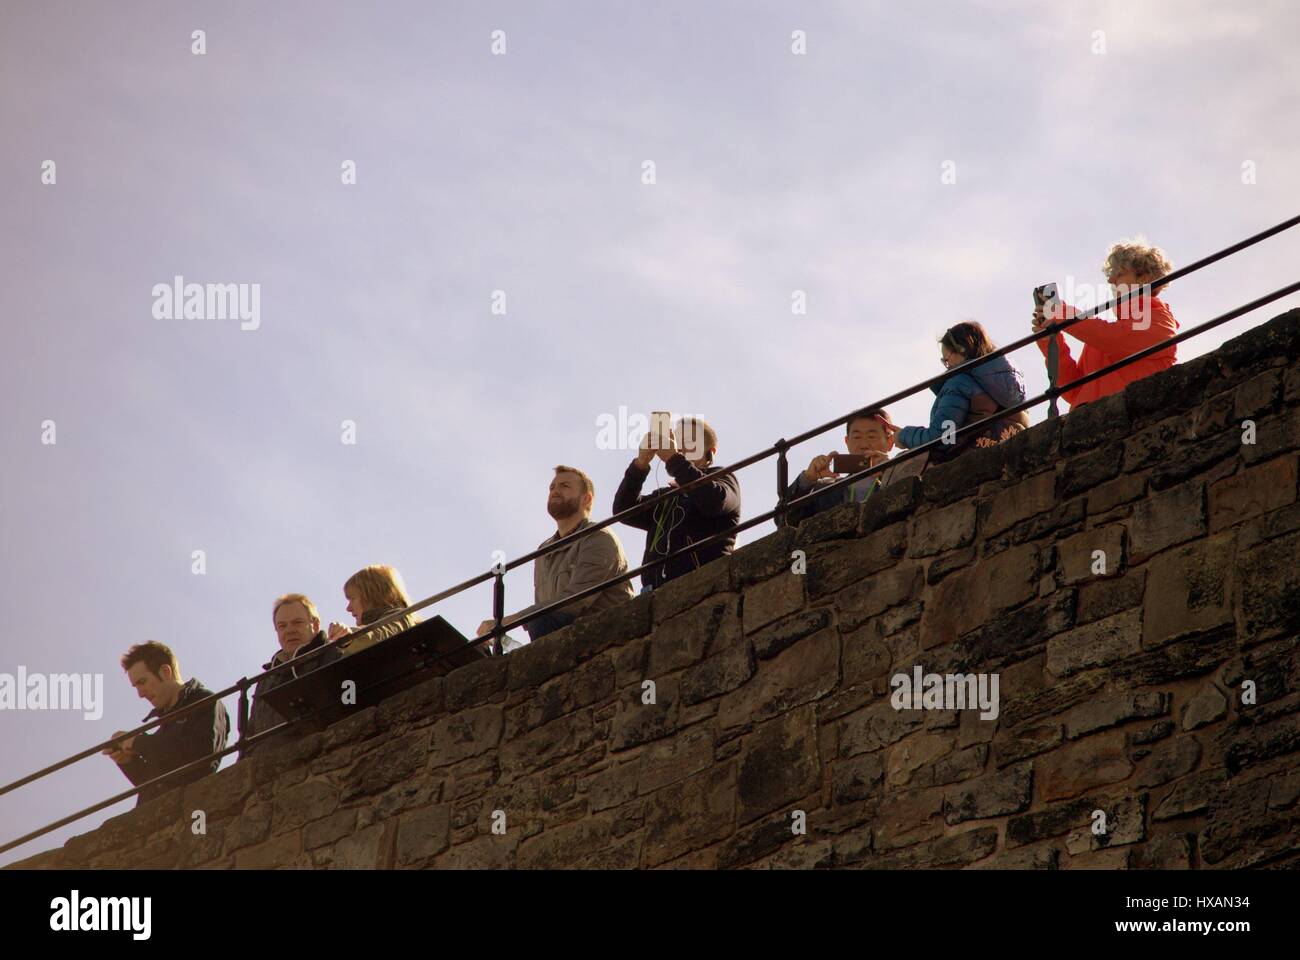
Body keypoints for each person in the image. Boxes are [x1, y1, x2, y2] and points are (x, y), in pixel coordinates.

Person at [477, 465, 634, 645]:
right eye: (552, 487)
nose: (555, 491)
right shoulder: (543, 550)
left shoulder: (599, 537)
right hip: (562, 636)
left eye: (565, 486)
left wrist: (505, 623)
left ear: (587, 499)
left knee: (539, 622)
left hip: (605, 634)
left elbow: (574, 601)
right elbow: (545, 609)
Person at [1032, 238, 1179, 408]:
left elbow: (1117, 339)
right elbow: (1074, 389)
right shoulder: (1103, 338)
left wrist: (1061, 313)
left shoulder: (1160, 318)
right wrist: (1051, 341)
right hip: (1091, 423)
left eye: (1120, 273)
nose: (1110, 280)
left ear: (1144, 277)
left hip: (1130, 418)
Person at [613, 416, 742, 591]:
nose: (680, 447)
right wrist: (639, 466)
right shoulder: (666, 495)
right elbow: (623, 510)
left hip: (701, 584)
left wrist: (674, 459)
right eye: (677, 441)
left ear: (710, 452)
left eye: (689, 442)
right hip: (653, 593)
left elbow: (714, 500)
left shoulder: (723, 477)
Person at [103, 641, 229, 806]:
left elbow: (202, 756)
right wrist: (128, 761)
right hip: (156, 820)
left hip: (190, 814)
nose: (140, 694)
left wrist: (138, 742)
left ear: (165, 671)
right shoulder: (164, 724)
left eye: (142, 682)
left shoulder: (205, 701)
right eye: (135, 687)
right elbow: (155, 782)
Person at [885, 322, 1028, 464]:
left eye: (946, 360)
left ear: (962, 350)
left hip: (970, 462)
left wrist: (903, 436)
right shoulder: (1012, 384)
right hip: (1014, 455)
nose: (947, 366)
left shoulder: (959, 383)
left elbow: (943, 439)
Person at [778, 407, 924, 527]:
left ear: (890, 442)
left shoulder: (906, 469)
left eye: (872, 436)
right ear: (847, 442)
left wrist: (888, 473)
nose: (864, 444)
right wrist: (807, 479)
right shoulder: (825, 488)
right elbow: (783, 522)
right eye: (857, 437)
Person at [241, 593, 327, 757]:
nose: (289, 630)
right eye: (282, 626)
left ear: (315, 625)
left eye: (297, 622)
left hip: (314, 760)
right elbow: (251, 734)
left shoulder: (331, 654)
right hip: (265, 771)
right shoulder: (266, 679)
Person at [308, 566, 418, 667]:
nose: (348, 608)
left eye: (352, 598)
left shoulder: (401, 617)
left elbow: (380, 635)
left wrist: (350, 636)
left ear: (373, 595)